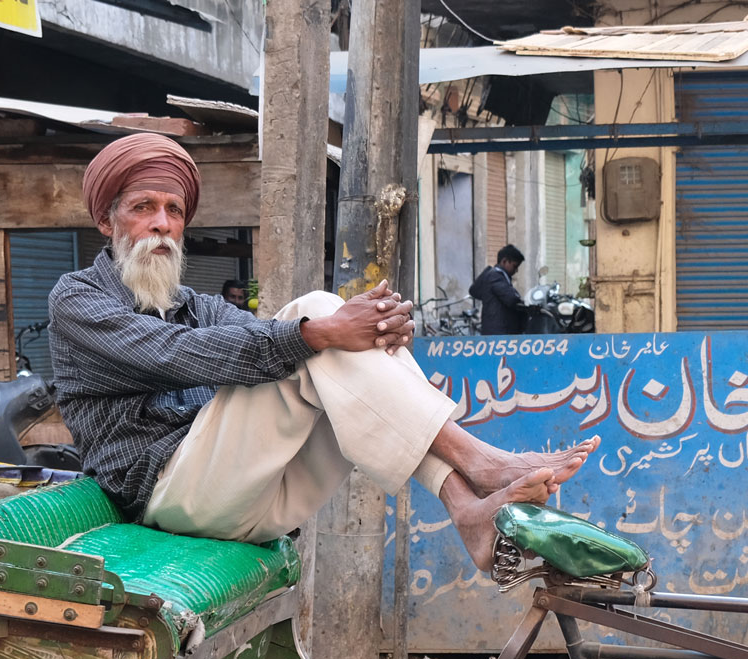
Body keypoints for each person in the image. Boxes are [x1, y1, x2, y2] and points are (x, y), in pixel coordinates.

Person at [48, 134, 596, 571]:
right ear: (107, 221)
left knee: (330, 339)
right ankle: (480, 463)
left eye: (173, 209)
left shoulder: (194, 303)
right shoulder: (77, 299)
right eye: (144, 208)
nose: (163, 224)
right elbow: (176, 355)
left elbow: (276, 342)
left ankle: (465, 505)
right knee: (316, 318)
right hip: (167, 495)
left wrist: (374, 340)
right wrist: (329, 332)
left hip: (250, 499)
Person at [469, 245, 527, 335]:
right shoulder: (496, 276)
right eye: (514, 266)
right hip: (499, 333)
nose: (516, 270)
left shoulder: (497, 276)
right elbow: (511, 298)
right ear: (504, 261)